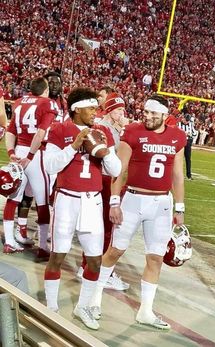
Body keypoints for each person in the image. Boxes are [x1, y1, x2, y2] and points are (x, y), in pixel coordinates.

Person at [90, 94, 187, 330]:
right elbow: (118, 170)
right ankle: (93, 298)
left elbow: (177, 174)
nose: (149, 116)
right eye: (146, 112)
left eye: (154, 113)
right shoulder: (132, 132)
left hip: (162, 204)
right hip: (133, 199)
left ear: (165, 114)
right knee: (115, 251)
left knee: (155, 258)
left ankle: (145, 311)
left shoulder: (177, 137)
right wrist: (114, 201)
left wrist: (180, 207)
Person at [43, 87, 121, 330]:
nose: (95, 112)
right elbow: (50, 166)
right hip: (66, 199)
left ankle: (83, 306)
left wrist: (105, 152)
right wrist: (74, 146)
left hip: (92, 201)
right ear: (77, 110)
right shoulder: (59, 129)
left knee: (95, 260)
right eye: (91, 108)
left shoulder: (102, 131)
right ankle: (51, 307)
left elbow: (116, 170)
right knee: (58, 255)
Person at [77, 92, 129, 291]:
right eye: (117, 110)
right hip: (106, 180)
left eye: (122, 109)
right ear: (109, 110)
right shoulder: (104, 128)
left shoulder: (108, 126)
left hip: (105, 179)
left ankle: (88, 266)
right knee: (107, 227)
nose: (121, 113)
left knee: (101, 227)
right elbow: (112, 158)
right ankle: (94, 268)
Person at [15, 71, 69, 250]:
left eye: (58, 82)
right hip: (38, 150)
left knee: (49, 195)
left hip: (54, 153)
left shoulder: (64, 104)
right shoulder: (41, 102)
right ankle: (21, 227)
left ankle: (42, 231)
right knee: (28, 194)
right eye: (51, 82)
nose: (55, 85)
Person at [3, 77, 57, 254]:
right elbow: (41, 132)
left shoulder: (19, 102)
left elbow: (10, 130)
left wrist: (12, 153)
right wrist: (31, 155)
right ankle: (42, 246)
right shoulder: (47, 103)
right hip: (35, 154)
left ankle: (10, 241)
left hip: (18, 151)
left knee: (13, 198)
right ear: (46, 89)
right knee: (42, 201)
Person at [178, 112, 196, 180]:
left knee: (188, 159)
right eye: (186, 120)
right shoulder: (179, 124)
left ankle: (189, 175)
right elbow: (176, 132)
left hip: (188, 142)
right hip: (180, 142)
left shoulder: (191, 125)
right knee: (178, 158)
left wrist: (189, 134)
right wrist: (183, 134)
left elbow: (194, 133)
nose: (186, 122)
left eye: (188, 121)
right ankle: (176, 174)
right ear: (183, 118)